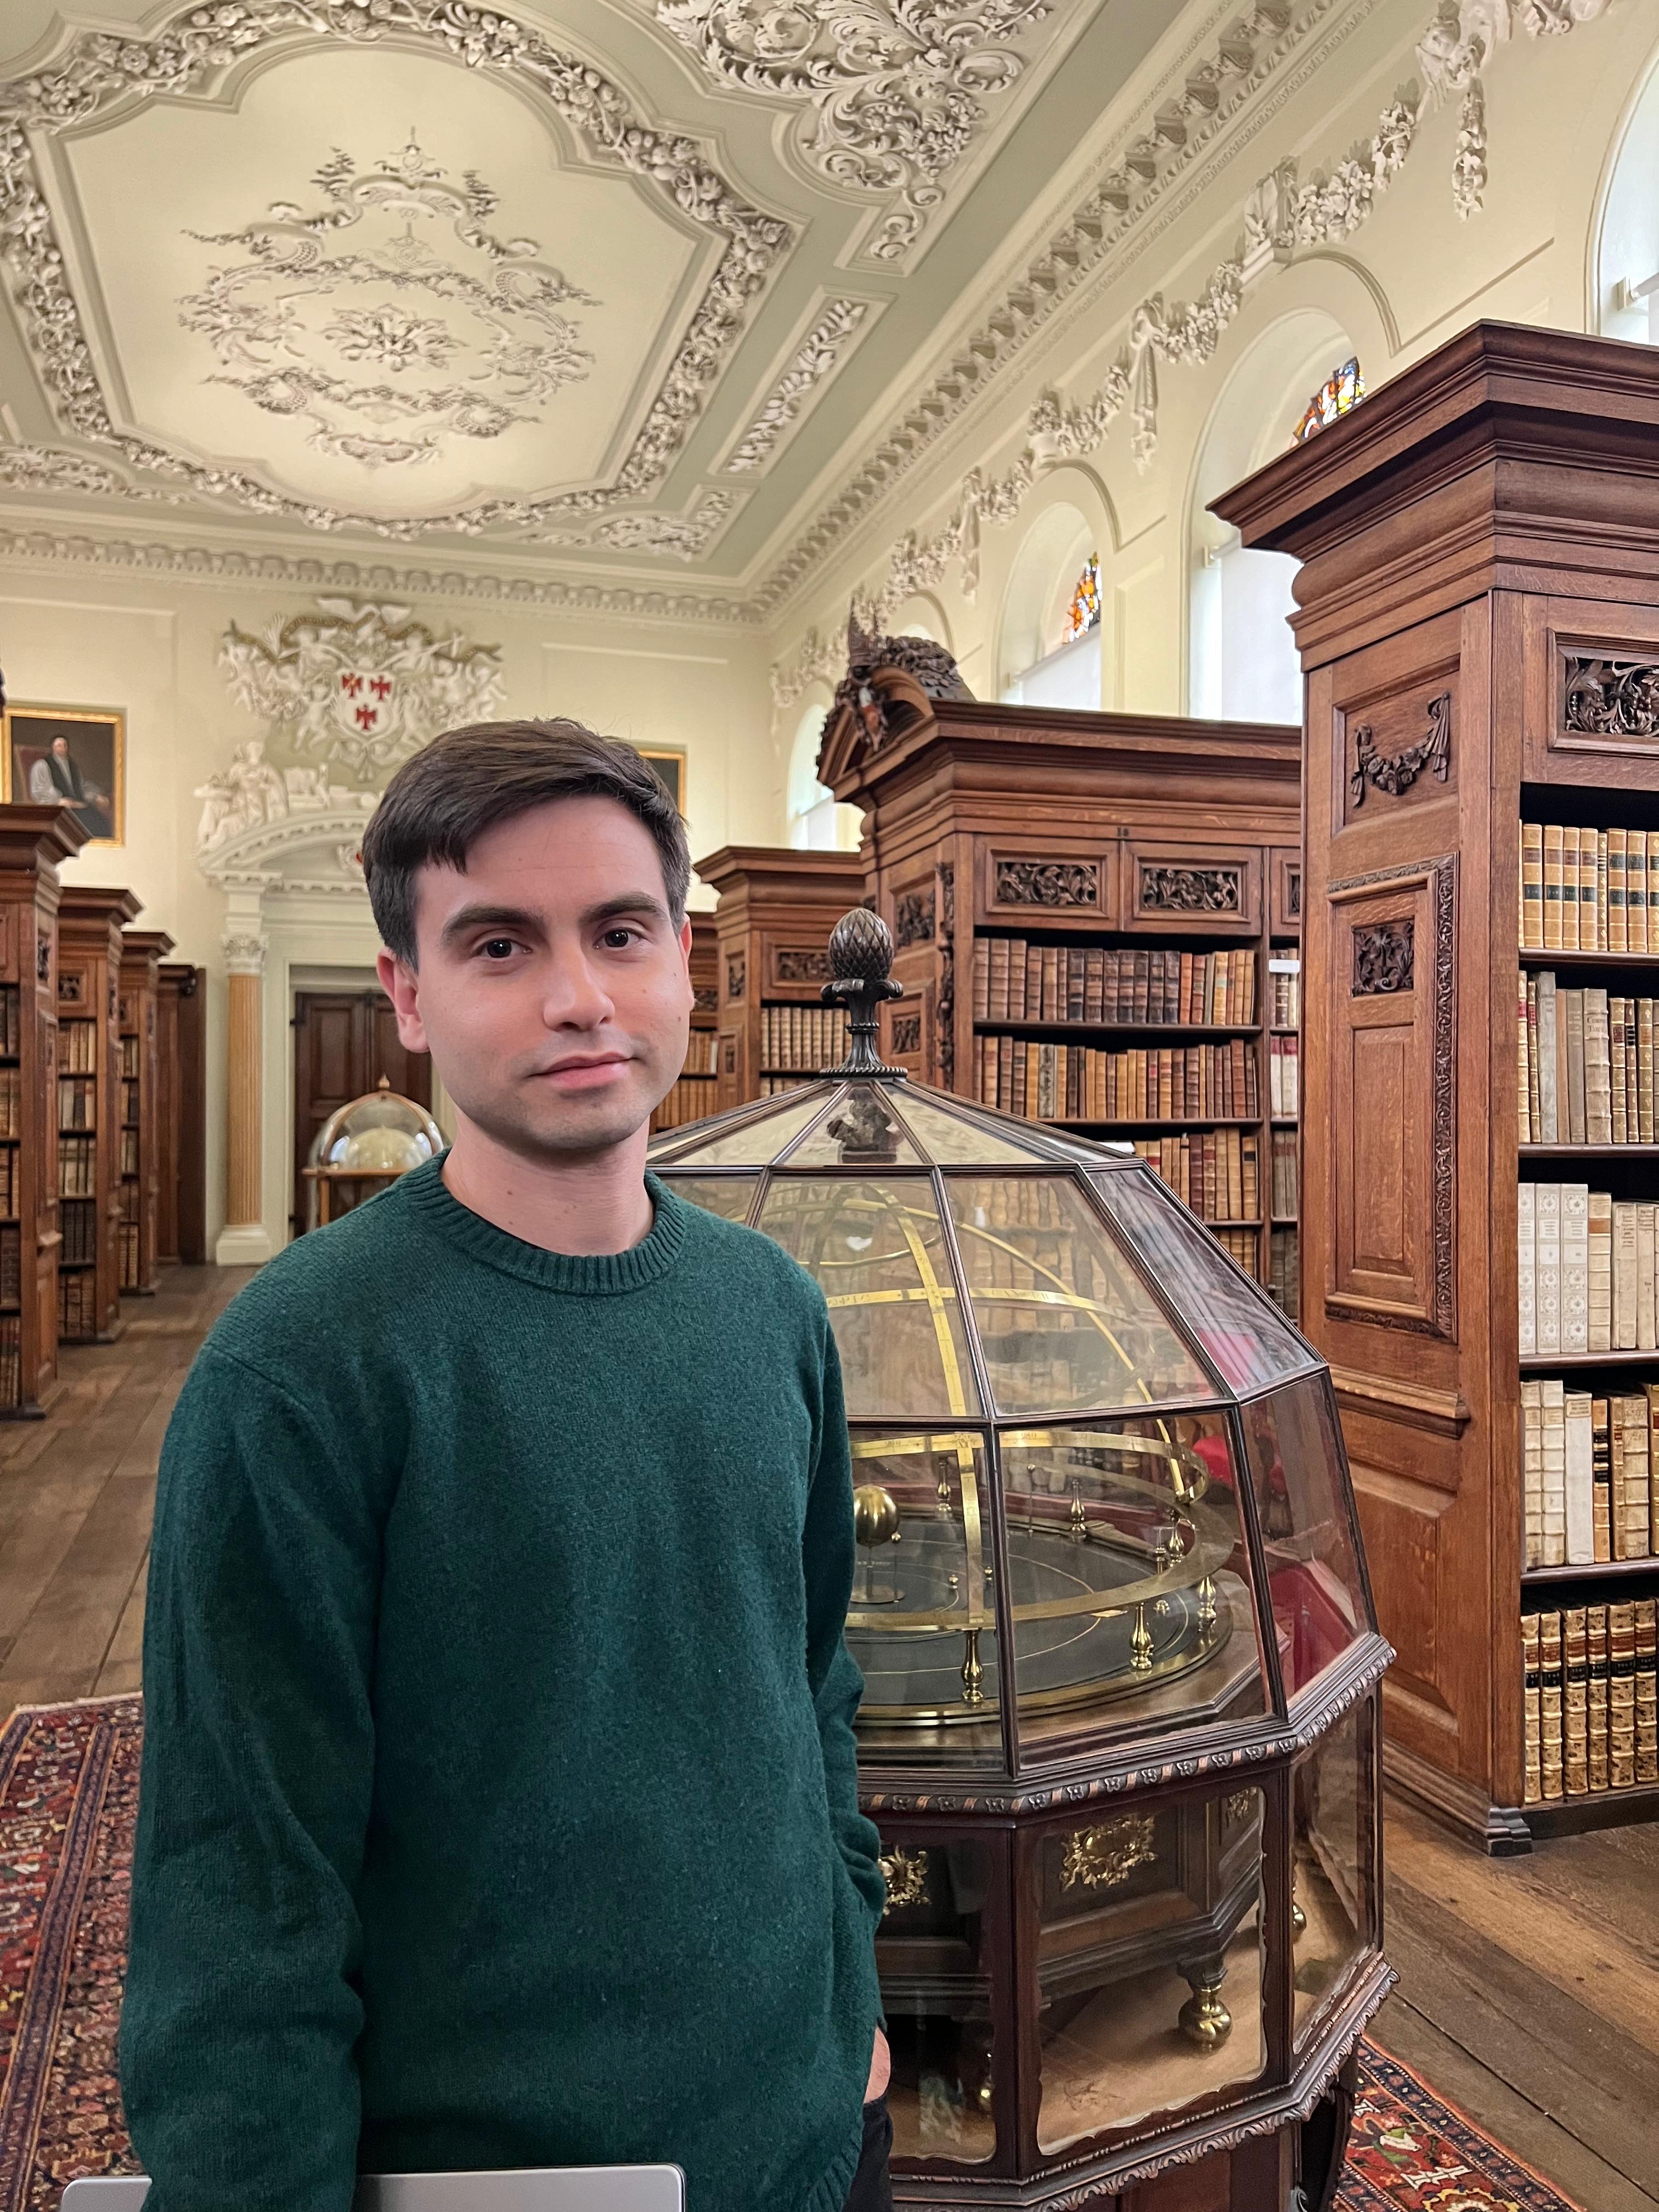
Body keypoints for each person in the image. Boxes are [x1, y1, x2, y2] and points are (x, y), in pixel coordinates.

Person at [119, 719, 893, 2212]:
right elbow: (241, 1890)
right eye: (498, 946)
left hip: (802, 2128)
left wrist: (848, 1976)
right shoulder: (301, 1369)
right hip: (492, 2175)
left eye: (620, 932)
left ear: (686, 959)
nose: (579, 997)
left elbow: (812, 1684)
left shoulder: (772, 1311)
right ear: (407, 995)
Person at [29, 730, 112, 839]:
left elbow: (82, 786)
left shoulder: (72, 766)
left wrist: (96, 796)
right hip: (61, 808)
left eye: (64, 745)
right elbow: (40, 789)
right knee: (81, 826)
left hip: (78, 805)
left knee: (101, 824)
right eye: (59, 745)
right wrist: (58, 801)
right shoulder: (43, 765)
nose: (62, 748)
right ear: (53, 747)